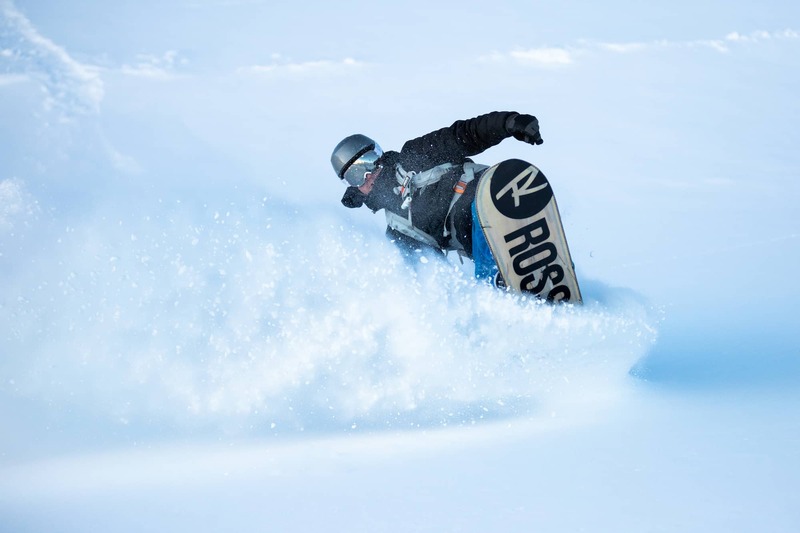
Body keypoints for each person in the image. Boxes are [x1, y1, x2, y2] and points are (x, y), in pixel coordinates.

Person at [330, 111, 544, 280]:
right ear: (352, 187)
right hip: (470, 239)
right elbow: (435, 280)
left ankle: (500, 272)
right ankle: (507, 295)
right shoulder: (400, 231)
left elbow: (465, 135)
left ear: (379, 153)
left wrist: (508, 123)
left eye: (368, 161)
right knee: (468, 247)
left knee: (473, 218)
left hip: (486, 195)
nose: (368, 176)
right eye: (355, 175)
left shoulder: (414, 156)